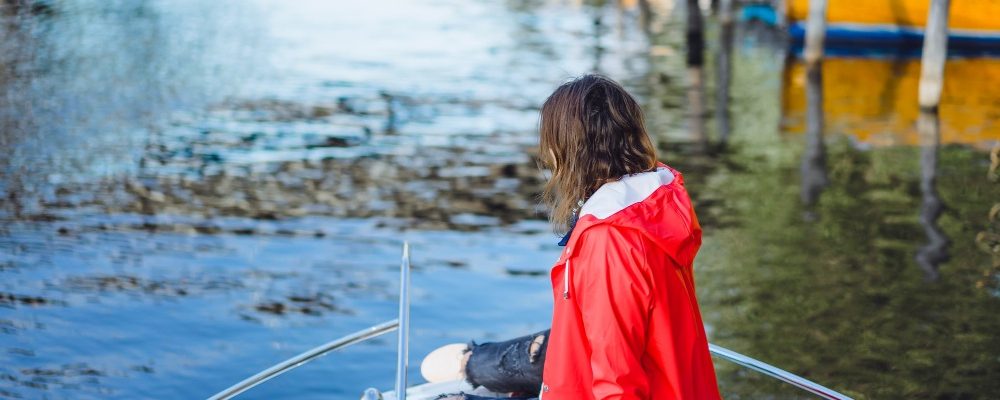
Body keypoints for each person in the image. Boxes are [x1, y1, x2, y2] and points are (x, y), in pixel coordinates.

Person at [432, 74, 722, 400]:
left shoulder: (610, 240)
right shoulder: (655, 209)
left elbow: (617, 378)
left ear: (568, 151)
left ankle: (470, 366)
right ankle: (476, 365)